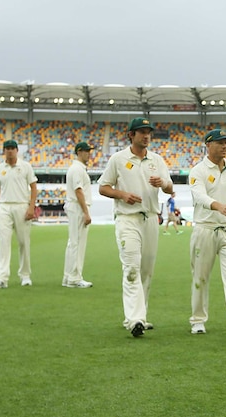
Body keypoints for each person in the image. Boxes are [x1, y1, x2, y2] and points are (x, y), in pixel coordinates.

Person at [98, 117, 173, 337]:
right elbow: (103, 187)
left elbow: (169, 188)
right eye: (141, 132)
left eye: (148, 132)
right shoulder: (119, 159)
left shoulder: (156, 160)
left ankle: (141, 315)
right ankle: (134, 319)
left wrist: (163, 183)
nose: (146, 135)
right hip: (127, 218)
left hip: (150, 218)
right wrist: (121, 194)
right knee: (131, 268)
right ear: (131, 135)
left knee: (146, 270)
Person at [188, 128, 226, 337]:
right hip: (204, 230)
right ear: (208, 145)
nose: (224, 146)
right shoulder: (198, 171)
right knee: (200, 278)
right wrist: (218, 206)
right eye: (220, 142)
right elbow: (198, 196)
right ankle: (197, 320)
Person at [0, 139, 38, 289]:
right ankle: (1, 278)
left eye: (12, 148)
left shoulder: (25, 167)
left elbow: (34, 187)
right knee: (3, 242)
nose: (10, 151)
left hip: (21, 205)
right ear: (4, 151)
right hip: (4, 207)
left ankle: (25, 275)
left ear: (17, 150)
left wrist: (31, 207)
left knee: (23, 242)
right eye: (7, 148)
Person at [62, 141, 95, 289]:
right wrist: (86, 212)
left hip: (76, 206)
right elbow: (78, 190)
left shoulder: (78, 168)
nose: (89, 154)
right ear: (79, 152)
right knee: (77, 243)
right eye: (86, 151)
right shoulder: (77, 169)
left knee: (73, 242)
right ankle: (74, 278)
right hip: (78, 207)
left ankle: (68, 276)